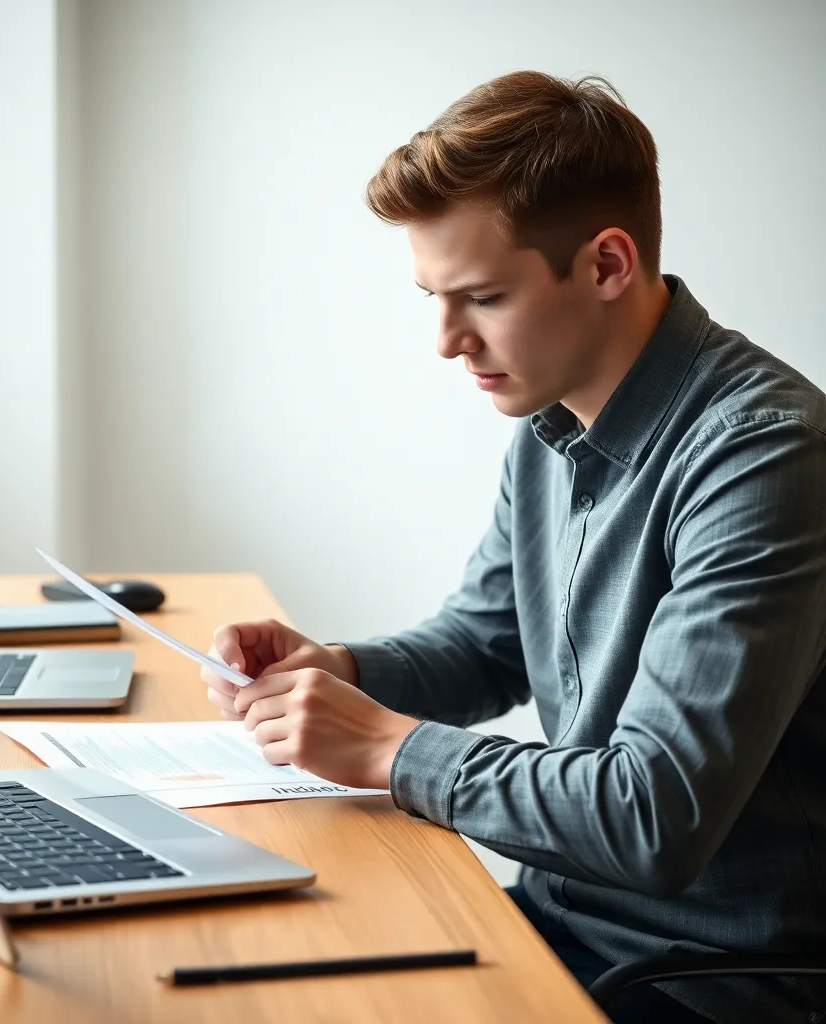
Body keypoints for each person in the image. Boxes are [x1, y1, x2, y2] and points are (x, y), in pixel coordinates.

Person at [201, 71, 826, 1024]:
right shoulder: (550, 421)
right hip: (562, 919)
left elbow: (653, 814)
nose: (448, 341)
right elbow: (486, 642)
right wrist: (342, 669)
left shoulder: (766, 455)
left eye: (482, 297)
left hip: (700, 983)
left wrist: (390, 747)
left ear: (608, 264)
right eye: (434, 297)